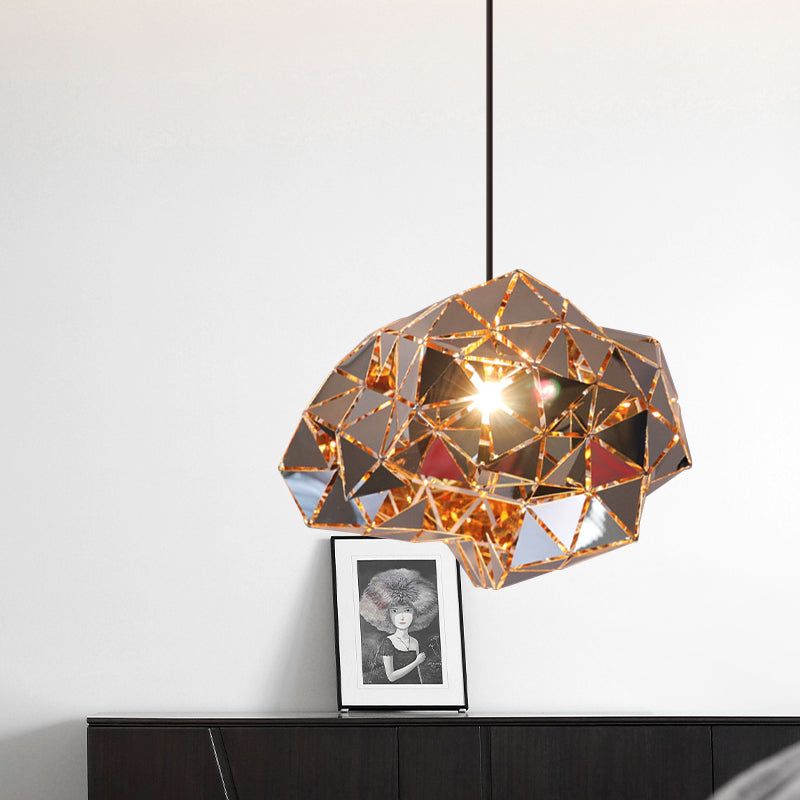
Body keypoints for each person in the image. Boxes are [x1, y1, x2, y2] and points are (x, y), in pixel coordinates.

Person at [359, 567, 438, 685]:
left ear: (416, 613)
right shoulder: (387, 643)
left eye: (407, 610)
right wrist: (416, 662)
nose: (402, 617)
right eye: (395, 611)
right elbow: (391, 677)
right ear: (387, 615)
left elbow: (417, 674)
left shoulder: (415, 642)